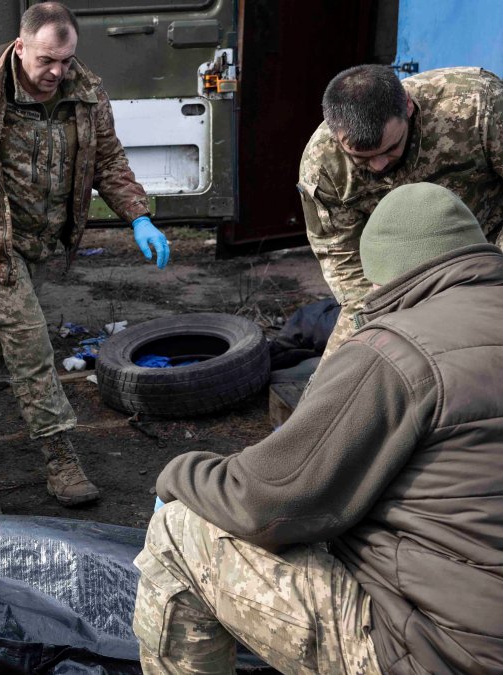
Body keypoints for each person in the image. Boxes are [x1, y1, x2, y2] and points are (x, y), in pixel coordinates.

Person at [132, 183, 503, 674]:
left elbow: (270, 499)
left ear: (387, 276)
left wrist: (179, 477)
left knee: (182, 529)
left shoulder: (397, 351)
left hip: (440, 654)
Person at [0, 1, 171, 507]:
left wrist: (138, 215)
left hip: (39, 248)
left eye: (66, 60)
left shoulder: (85, 92)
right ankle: (60, 458)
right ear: (20, 47)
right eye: (47, 60)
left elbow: (107, 159)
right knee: (31, 348)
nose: (57, 72)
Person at [299, 64, 503, 358]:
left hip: (489, 243)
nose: (379, 165)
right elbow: (341, 256)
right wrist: (376, 312)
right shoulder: (324, 166)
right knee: (345, 365)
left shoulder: (477, 105)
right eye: (362, 158)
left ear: (408, 106)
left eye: (390, 148)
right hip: (402, 272)